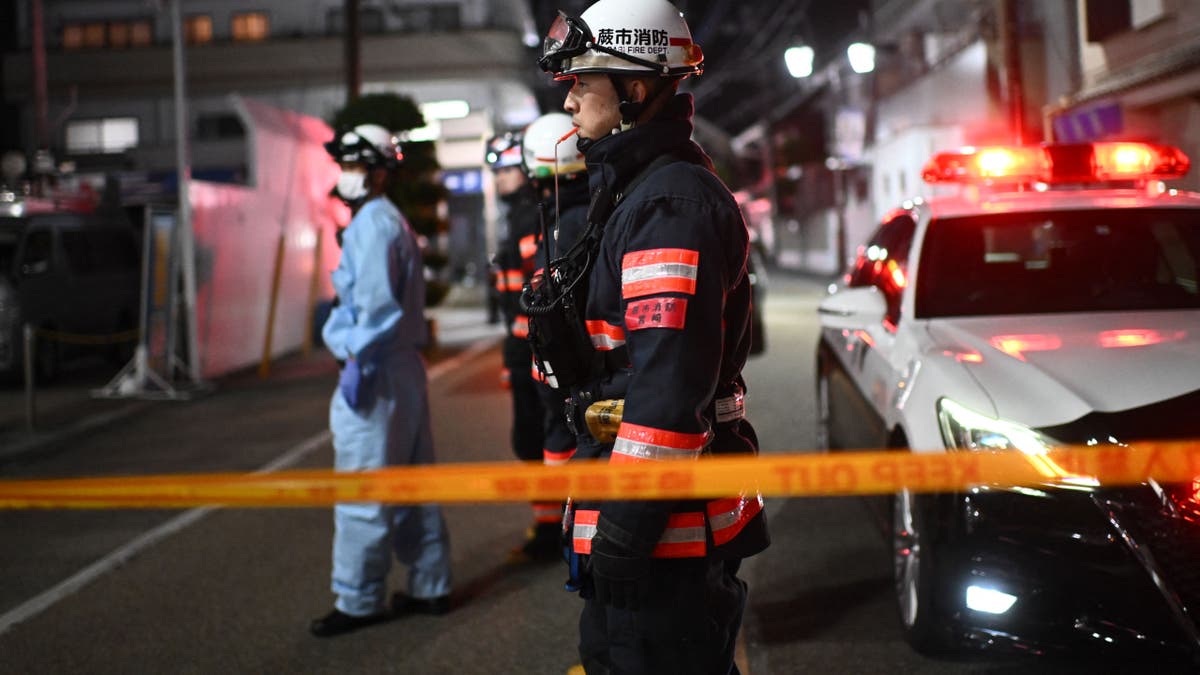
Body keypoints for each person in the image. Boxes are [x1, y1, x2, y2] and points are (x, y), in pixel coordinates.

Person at [532, 1, 770, 672]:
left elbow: (666, 402)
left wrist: (623, 537)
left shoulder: (669, 205)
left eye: (584, 80)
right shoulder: (636, 190)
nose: (570, 96)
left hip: (664, 543)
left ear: (636, 89)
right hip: (650, 533)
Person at [311, 124, 452, 638]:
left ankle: (359, 599)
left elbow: (371, 311)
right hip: (403, 368)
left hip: (373, 369)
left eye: (352, 165)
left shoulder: (371, 224)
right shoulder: (391, 220)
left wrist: (352, 357)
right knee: (415, 483)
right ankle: (430, 584)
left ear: (376, 171)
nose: (346, 175)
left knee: (363, 488)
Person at [519, 112, 592, 556]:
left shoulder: (562, 226)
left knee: (561, 437)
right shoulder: (602, 207)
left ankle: (566, 526)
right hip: (584, 368)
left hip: (568, 371)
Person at [486, 130, 561, 561]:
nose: (500, 180)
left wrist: (519, 354)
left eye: (507, 171)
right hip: (523, 346)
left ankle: (553, 527)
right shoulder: (521, 214)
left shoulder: (530, 216)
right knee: (532, 439)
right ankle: (551, 522)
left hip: (531, 347)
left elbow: (530, 293)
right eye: (496, 173)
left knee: (540, 437)